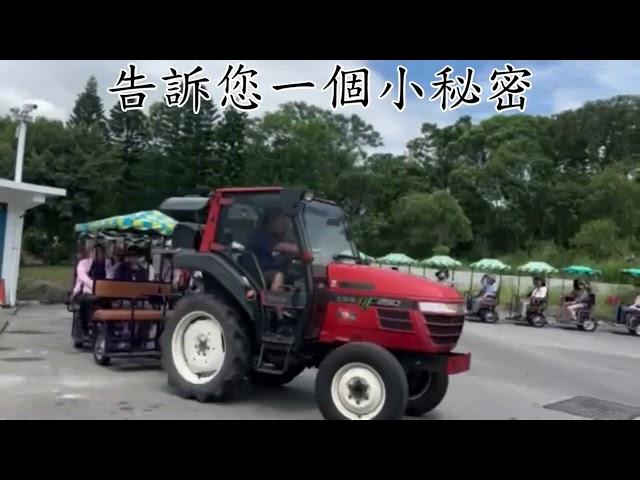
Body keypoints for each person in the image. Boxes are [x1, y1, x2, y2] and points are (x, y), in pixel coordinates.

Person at [247, 206, 299, 292]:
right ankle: (277, 300)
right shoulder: (260, 235)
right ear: (271, 221)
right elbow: (284, 247)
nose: (283, 227)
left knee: (296, 275)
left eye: (285, 224)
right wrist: (303, 249)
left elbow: (291, 249)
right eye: (281, 223)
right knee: (277, 275)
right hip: (254, 273)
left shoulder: (276, 236)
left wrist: (287, 232)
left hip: (268, 269)